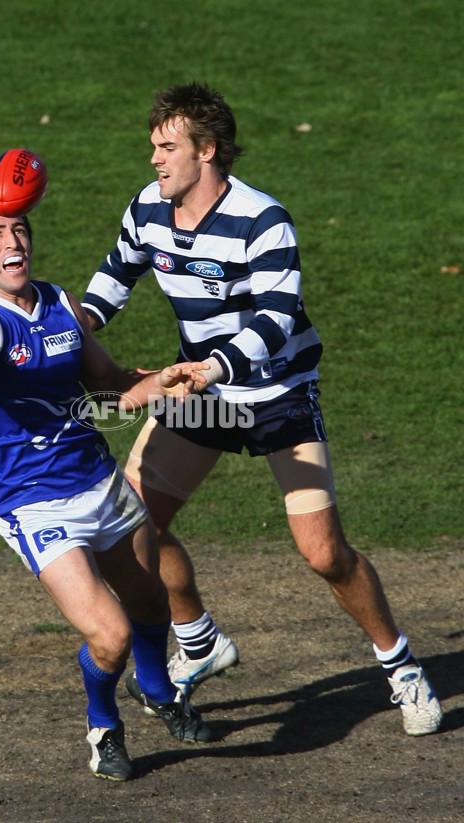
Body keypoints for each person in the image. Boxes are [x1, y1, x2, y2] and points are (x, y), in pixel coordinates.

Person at [81, 82, 443, 736]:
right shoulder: (148, 210)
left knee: (324, 552)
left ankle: (401, 665)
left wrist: (215, 366)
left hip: (275, 397)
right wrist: (68, 326)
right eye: (153, 148)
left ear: (208, 150)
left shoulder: (262, 219)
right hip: (206, 395)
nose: (155, 160)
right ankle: (198, 641)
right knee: (136, 522)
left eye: (168, 148)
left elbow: (278, 317)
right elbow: (114, 278)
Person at [0, 198, 214, 783]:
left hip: (99, 480)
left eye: (18, 229)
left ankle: (159, 691)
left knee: (150, 603)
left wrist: (161, 383)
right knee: (110, 637)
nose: (12, 240)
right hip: (34, 503)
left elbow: (110, 386)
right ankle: (103, 724)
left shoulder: (60, 303)